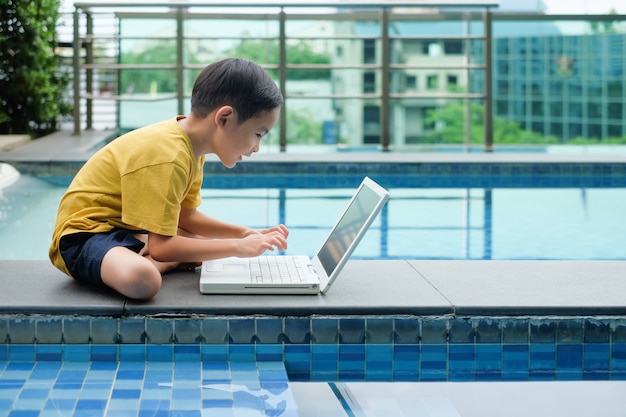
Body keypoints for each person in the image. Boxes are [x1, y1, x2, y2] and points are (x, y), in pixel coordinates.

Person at [49, 58, 289, 300]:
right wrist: (238, 248)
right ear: (223, 118)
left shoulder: (193, 149)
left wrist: (245, 233)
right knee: (144, 280)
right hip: (83, 236)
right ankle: (155, 263)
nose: (256, 147)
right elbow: (162, 247)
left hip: (124, 228)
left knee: (200, 242)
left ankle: (145, 254)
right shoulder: (169, 156)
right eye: (258, 134)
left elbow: (186, 215)